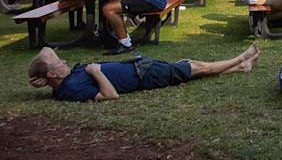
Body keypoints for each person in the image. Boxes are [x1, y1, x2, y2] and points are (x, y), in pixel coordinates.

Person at [27, 45, 261, 102]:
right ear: (52, 76)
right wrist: (97, 72)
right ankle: (241, 58)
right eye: (59, 63)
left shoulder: (64, 79)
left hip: (143, 66)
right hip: (147, 76)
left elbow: (46, 52)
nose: (65, 61)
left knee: (191, 67)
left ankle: (241, 68)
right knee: (200, 67)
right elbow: (110, 96)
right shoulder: (71, 89)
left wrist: (42, 79)